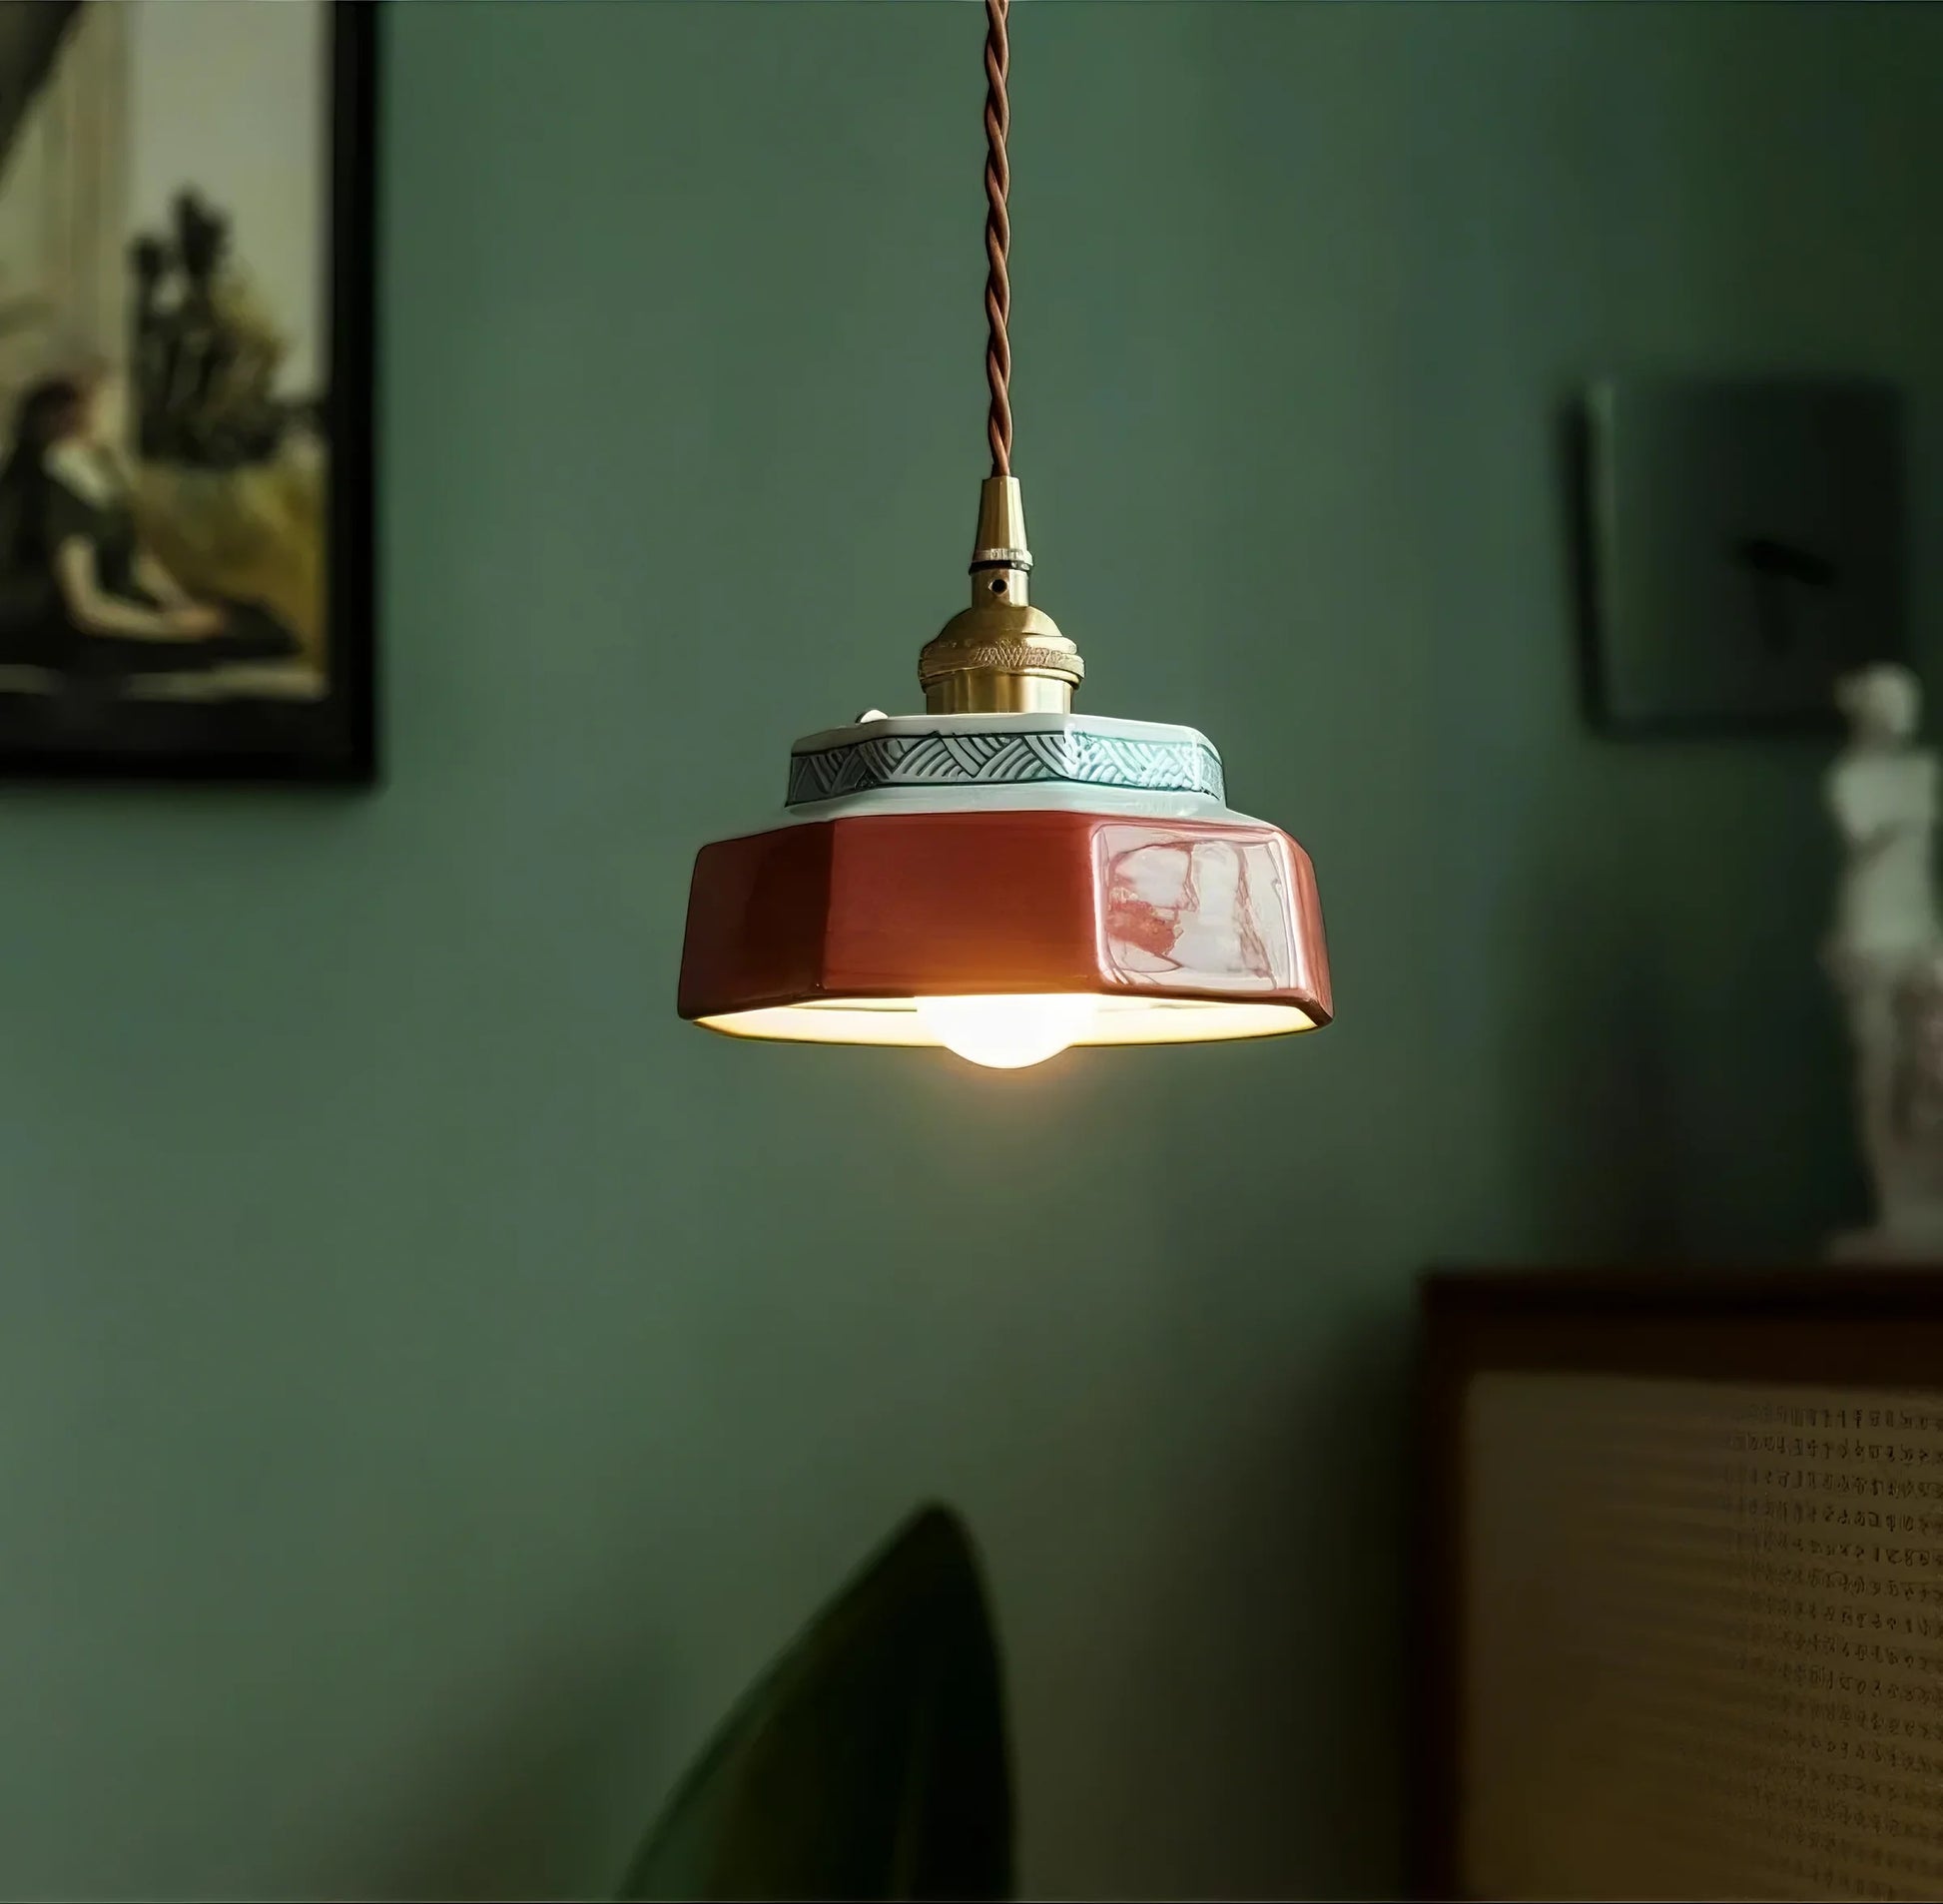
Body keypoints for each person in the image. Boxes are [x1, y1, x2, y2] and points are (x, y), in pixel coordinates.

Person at [0, 368, 298, 679]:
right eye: (111, 405)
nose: (124, 412)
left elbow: (139, 561)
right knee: (205, 650)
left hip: (112, 610)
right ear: (75, 416)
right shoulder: (52, 485)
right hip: (52, 628)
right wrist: (171, 628)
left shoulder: (98, 472)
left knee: (257, 623)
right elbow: (85, 608)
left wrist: (181, 605)